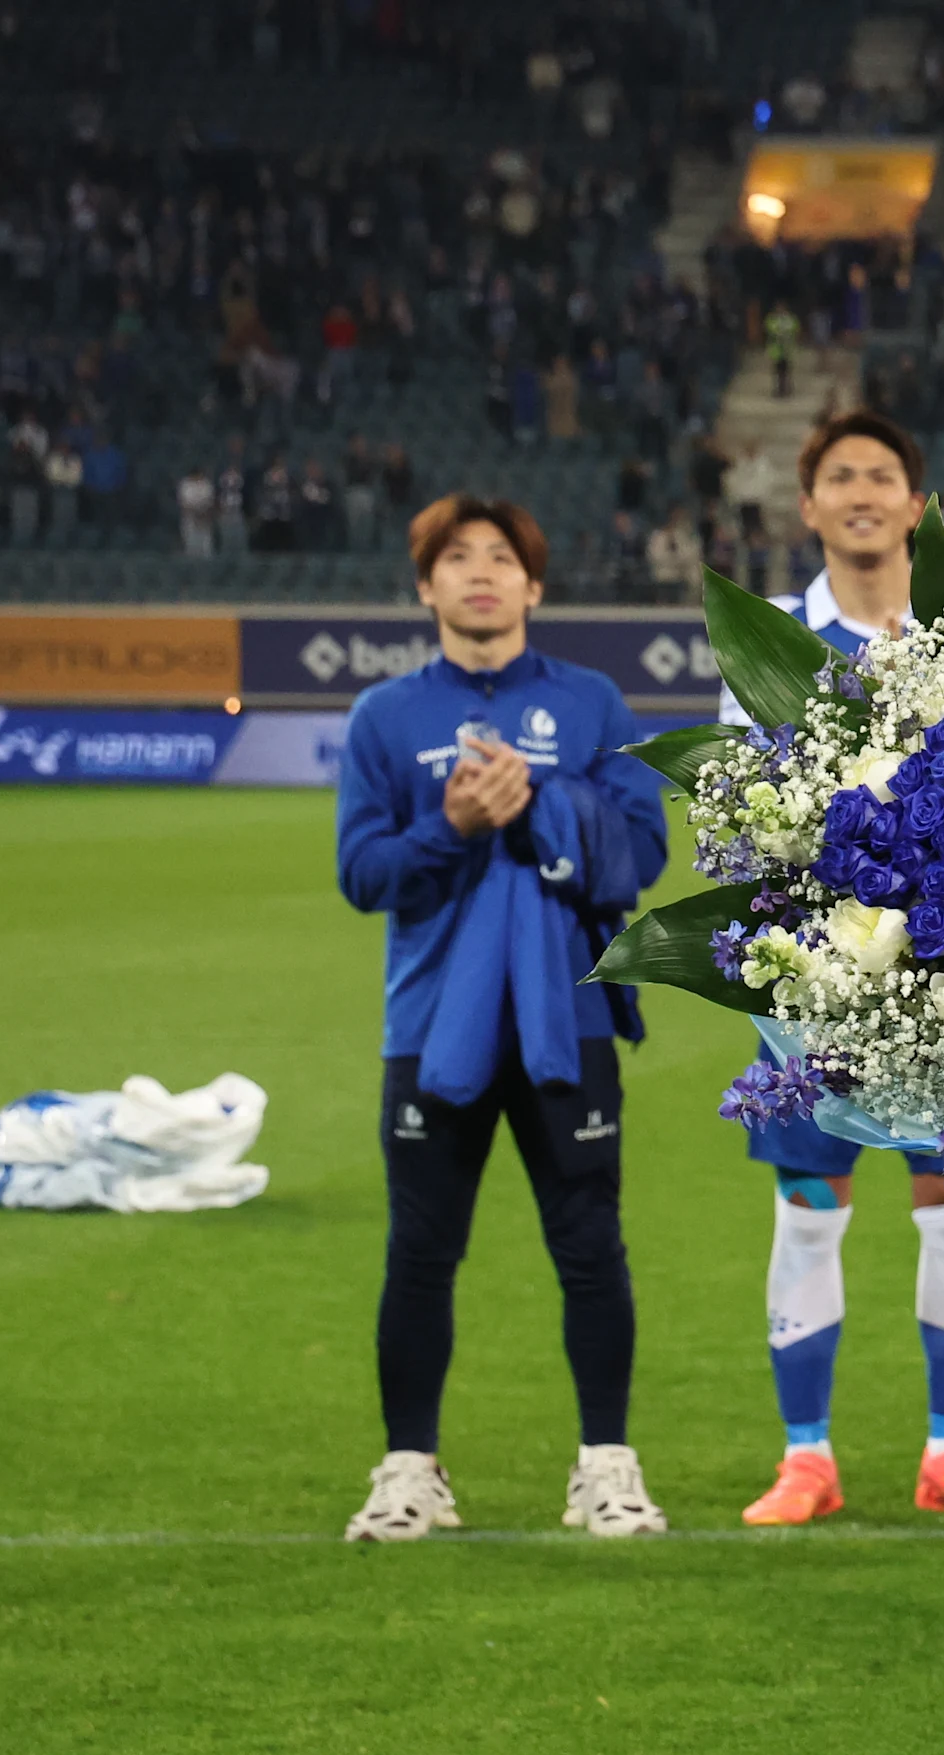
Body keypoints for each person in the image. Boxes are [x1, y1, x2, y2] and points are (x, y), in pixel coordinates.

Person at [336, 494, 670, 1542]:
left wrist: (545, 808)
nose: (479, 573)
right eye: (455, 557)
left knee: (590, 1246)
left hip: (565, 1014)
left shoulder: (594, 703)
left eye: (500, 557)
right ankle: (408, 1470)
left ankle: (606, 1469)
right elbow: (361, 872)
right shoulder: (384, 718)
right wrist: (453, 825)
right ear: (425, 584)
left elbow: (643, 850)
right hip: (433, 1024)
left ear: (534, 584)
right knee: (420, 1253)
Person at [726, 410, 944, 1529]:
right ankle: (804, 1457)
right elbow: (747, 823)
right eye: (840, 476)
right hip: (819, 988)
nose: (863, 492)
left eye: (885, 475)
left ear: (917, 504)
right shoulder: (761, 645)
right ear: (808, 507)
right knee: (808, 1209)